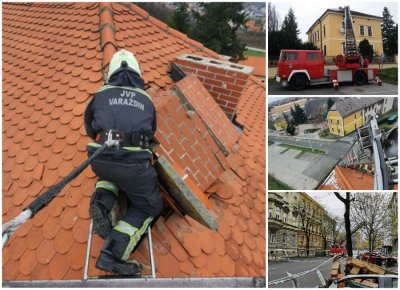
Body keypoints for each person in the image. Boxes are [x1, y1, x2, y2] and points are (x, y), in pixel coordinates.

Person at [84, 50, 164, 275]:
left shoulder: (101, 93)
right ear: (137, 73)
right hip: (134, 168)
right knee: (149, 205)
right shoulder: (146, 99)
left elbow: (90, 127)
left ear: (111, 73)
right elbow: (150, 132)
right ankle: (113, 253)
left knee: (110, 170)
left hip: (100, 159)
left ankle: (102, 199)